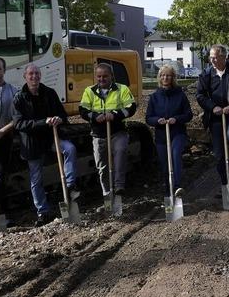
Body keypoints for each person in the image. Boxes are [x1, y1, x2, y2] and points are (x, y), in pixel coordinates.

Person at [12, 63, 80, 227]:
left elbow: (62, 115)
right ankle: (42, 211)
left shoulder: (49, 93)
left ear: (40, 76)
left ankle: (70, 185)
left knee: (70, 148)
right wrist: (44, 122)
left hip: (51, 138)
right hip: (32, 142)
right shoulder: (19, 98)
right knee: (36, 178)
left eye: (37, 73)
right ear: (25, 77)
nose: (34, 76)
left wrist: (58, 119)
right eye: (31, 74)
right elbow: (19, 124)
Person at [196, 44, 229, 187]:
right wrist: (212, 107)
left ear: (223, 57)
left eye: (215, 57)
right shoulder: (206, 74)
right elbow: (200, 95)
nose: (212, 60)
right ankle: (225, 182)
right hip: (215, 116)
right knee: (219, 153)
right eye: (211, 57)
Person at [79, 63, 136, 198]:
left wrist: (115, 115)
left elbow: (131, 107)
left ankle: (119, 186)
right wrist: (94, 116)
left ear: (111, 76)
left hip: (117, 131)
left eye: (105, 76)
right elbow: (83, 110)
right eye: (99, 76)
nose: (102, 79)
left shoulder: (121, 89)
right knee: (102, 165)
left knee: (120, 152)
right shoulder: (89, 91)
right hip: (99, 133)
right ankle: (106, 191)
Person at [146, 65, 193, 198]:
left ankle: (177, 186)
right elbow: (148, 118)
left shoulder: (180, 95)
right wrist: (157, 120)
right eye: (163, 75)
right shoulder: (154, 97)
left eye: (168, 75)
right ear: (159, 78)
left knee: (176, 154)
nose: (165, 78)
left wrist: (176, 119)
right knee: (165, 164)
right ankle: (168, 192)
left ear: (173, 78)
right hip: (161, 136)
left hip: (177, 133)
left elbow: (189, 114)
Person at [0, 57, 17, 220]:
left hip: (4, 137)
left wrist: (2, 131)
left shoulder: (13, 91)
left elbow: (17, 117)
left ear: (4, 71)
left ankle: (1, 212)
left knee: (0, 175)